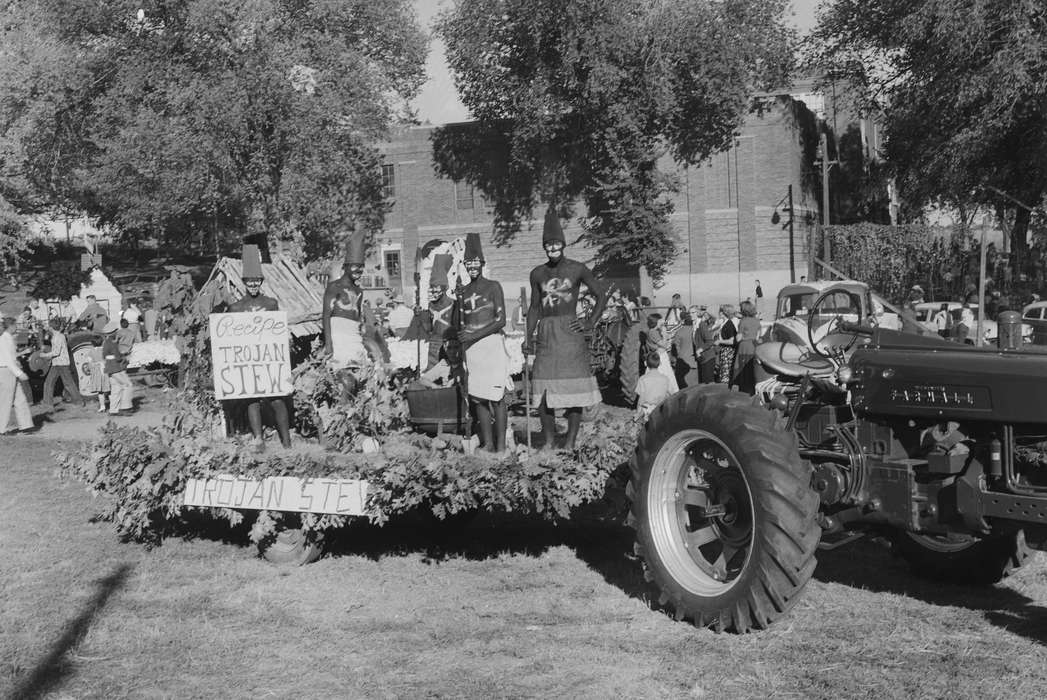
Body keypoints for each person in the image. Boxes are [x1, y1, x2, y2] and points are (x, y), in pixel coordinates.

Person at [524, 206, 607, 451]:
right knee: (542, 392)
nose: (552, 248)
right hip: (547, 336)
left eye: (556, 243)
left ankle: (569, 442)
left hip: (571, 335)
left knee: (575, 393)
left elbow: (600, 295)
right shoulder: (537, 273)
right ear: (544, 247)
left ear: (563, 244)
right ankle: (549, 441)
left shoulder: (577, 268)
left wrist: (589, 321)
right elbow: (535, 308)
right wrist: (528, 337)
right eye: (548, 244)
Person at [223, 244, 292, 450]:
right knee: (252, 399)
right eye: (249, 281)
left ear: (261, 281)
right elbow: (231, 337)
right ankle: (259, 439)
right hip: (248, 360)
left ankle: (287, 442)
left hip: (268, 358)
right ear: (243, 281)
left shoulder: (271, 304)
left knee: (277, 399)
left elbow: (278, 332)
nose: (253, 284)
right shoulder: (235, 308)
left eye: (256, 280)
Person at [458, 233, 512, 454]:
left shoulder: (493, 286)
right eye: (468, 263)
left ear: (482, 263)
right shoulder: (464, 292)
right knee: (478, 397)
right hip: (473, 351)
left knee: (496, 397)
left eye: (476, 262)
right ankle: (487, 443)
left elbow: (500, 320)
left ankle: (500, 446)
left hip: (491, 346)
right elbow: (461, 323)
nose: (472, 266)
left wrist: (473, 335)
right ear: (464, 265)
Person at [322, 232, 388, 368]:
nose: (358, 270)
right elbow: (326, 316)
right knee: (340, 371)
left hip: (354, 336)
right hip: (338, 335)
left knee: (359, 369)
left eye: (361, 266)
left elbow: (358, 318)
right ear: (345, 267)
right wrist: (329, 345)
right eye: (354, 265)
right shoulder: (334, 287)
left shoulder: (359, 291)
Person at [404, 254, 459, 372]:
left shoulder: (454, 304)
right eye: (431, 287)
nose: (433, 290)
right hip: (434, 344)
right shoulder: (430, 306)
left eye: (436, 287)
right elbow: (428, 328)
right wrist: (420, 315)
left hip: (451, 345)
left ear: (445, 288)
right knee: (432, 374)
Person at [40, 318, 85, 410]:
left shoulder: (57, 338)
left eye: (48, 326)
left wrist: (44, 355)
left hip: (62, 364)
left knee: (68, 383)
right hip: (57, 363)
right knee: (49, 382)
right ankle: (47, 403)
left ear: (52, 328)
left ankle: (79, 401)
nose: (48, 327)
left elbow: (56, 352)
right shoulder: (59, 336)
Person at [0, 316, 34, 434]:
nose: (16, 327)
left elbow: (12, 357)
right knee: (6, 401)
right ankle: (1, 429)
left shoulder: (9, 338)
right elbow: (8, 360)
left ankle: (26, 426)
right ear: (10, 326)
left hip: (11, 370)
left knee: (20, 399)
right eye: (15, 325)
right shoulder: (4, 340)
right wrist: (20, 373)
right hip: (6, 371)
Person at [101, 319, 134, 415]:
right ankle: (125, 407)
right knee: (127, 385)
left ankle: (113, 410)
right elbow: (118, 356)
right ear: (114, 332)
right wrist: (124, 357)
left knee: (116, 388)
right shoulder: (113, 342)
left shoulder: (106, 342)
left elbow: (104, 356)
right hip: (116, 367)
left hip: (109, 368)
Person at [644, 313, 679, 394]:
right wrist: (664, 333)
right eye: (660, 320)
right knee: (667, 377)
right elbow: (664, 345)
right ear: (656, 321)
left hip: (660, 356)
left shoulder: (654, 331)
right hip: (660, 357)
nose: (662, 322)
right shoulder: (653, 332)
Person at [634, 351, 674, 422]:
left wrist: (638, 413)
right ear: (659, 364)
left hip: (647, 410)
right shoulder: (665, 379)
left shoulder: (643, 379)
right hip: (661, 409)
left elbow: (641, 399)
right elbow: (672, 394)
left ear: (646, 363)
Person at [734, 300, 761, 392]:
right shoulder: (757, 321)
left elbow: (738, 338)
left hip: (744, 347)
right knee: (751, 369)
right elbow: (758, 336)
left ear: (743, 310)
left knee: (743, 370)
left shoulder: (743, 321)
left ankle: (744, 390)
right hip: (754, 346)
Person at [694, 306, 718, 383]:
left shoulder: (703, 325)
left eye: (706, 314)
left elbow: (710, 341)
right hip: (705, 356)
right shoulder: (703, 324)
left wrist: (699, 350)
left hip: (708, 356)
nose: (704, 315)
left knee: (708, 382)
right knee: (706, 381)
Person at [715, 304, 738, 384]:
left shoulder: (729, 324)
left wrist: (720, 341)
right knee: (724, 373)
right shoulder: (725, 323)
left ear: (723, 312)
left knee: (726, 373)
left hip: (728, 351)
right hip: (725, 350)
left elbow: (732, 341)